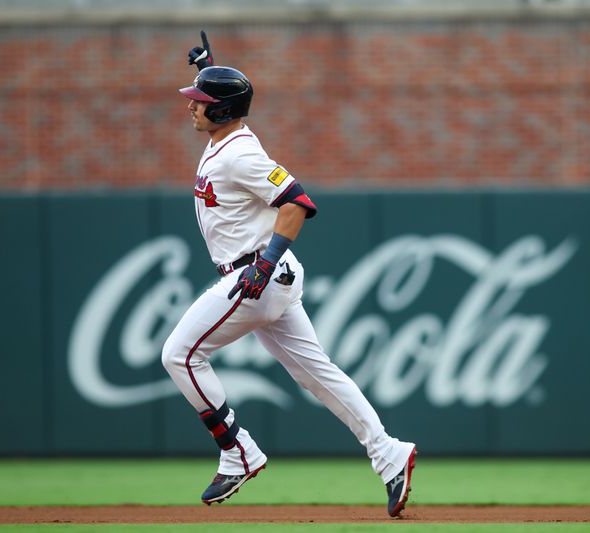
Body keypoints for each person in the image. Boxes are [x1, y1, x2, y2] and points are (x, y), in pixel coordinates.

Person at [161, 32, 416, 517]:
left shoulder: (239, 153)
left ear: (220, 111)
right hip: (272, 277)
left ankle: (238, 450)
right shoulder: (228, 136)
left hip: (254, 275)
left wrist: (264, 260)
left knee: (179, 355)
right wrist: (208, 71)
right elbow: (228, 102)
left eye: (200, 101)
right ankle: (388, 452)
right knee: (318, 374)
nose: (191, 107)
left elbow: (297, 203)